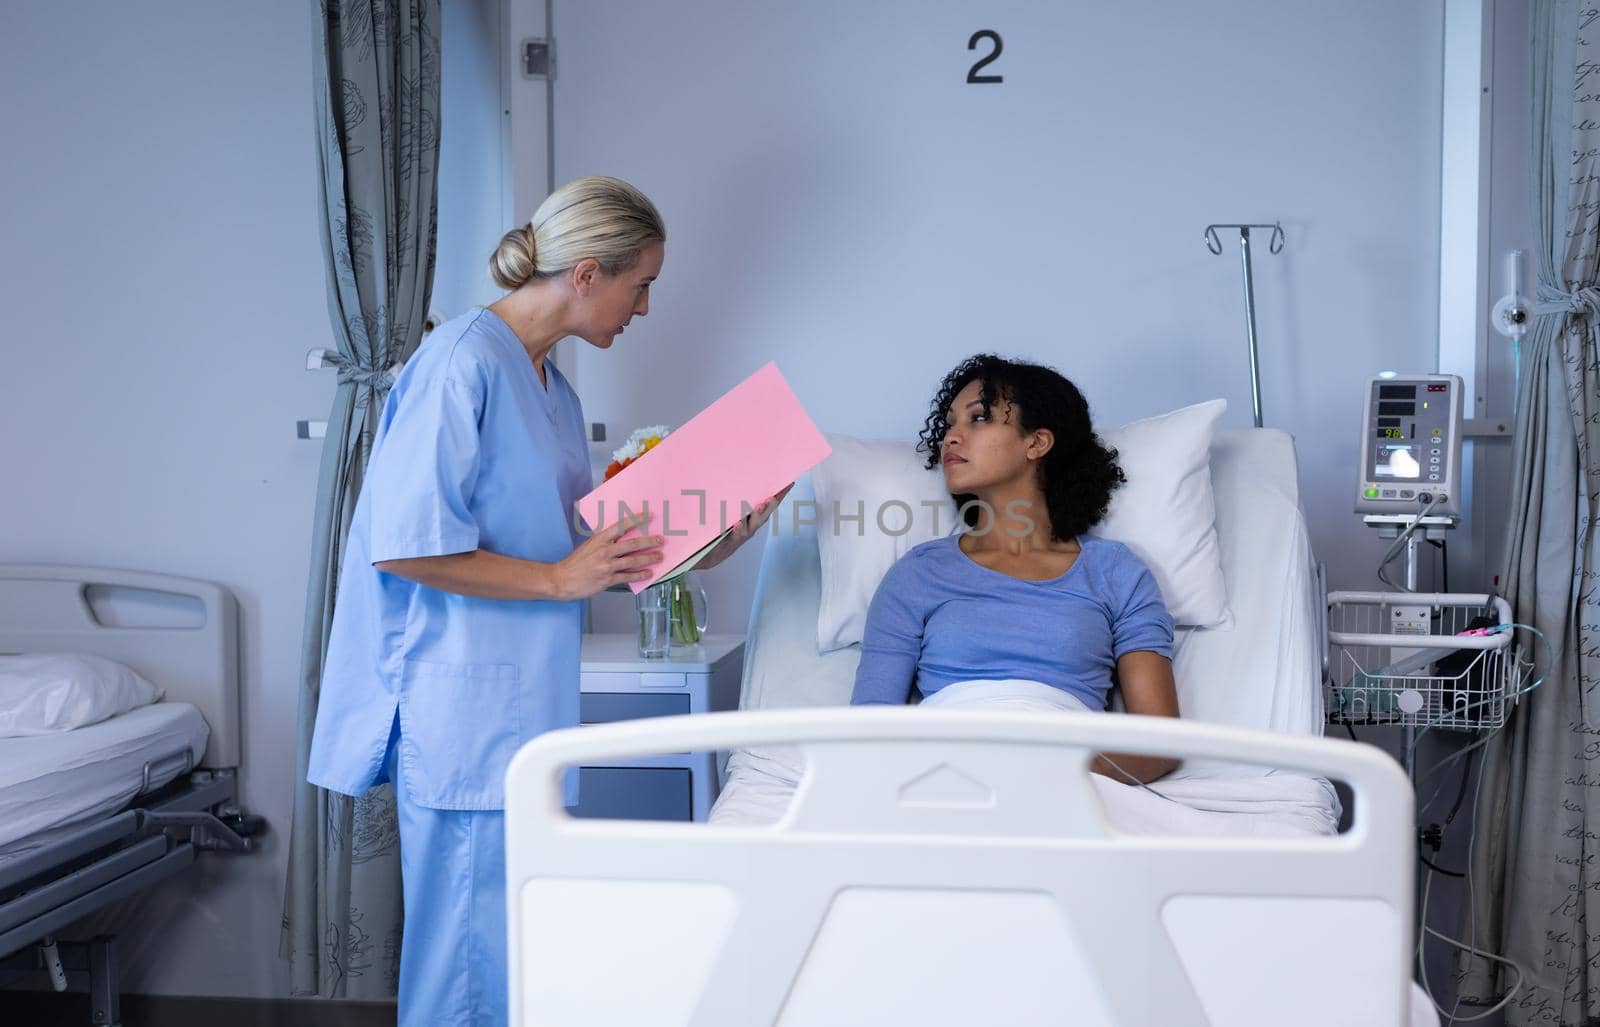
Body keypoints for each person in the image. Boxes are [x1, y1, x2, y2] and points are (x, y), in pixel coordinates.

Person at [306, 176, 781, 1025]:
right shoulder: (459, 362)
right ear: (589, 272)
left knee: (509, 950)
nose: (645, 310)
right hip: (464, 710)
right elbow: (408, 543)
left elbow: (579, 550)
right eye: (643, 287)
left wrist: (719, 531)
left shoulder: (553, 389)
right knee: (465, 966)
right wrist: (563, 580)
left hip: (522, 708)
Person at [849, 353, 1181, 784]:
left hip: (1073, 783)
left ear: (1037, 443)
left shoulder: (1116, 572)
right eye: (949, 424)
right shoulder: (917, 574)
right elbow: (867, 734)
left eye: (978, 418)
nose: (951, 437)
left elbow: (1162, 743)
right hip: (943, 776)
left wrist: (1047, 772)